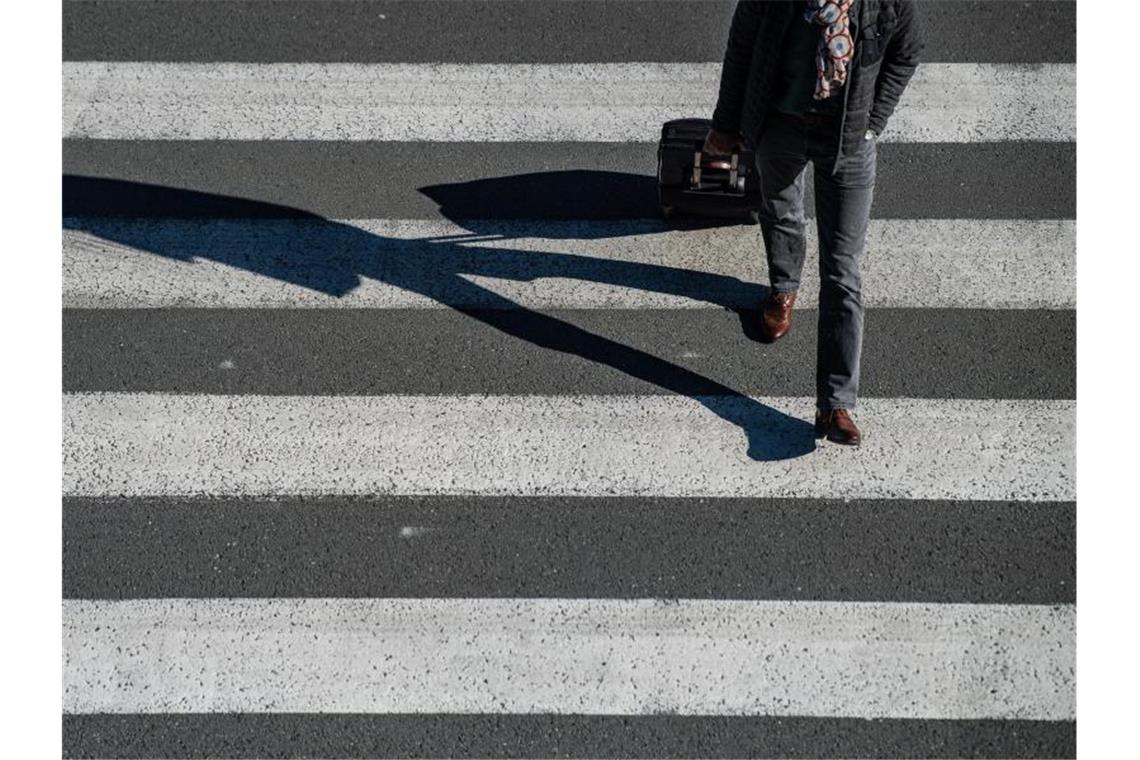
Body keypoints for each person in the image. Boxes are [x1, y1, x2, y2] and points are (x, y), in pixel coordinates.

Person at [704, 0, 922, 445]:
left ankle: (835, 403)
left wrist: (873, 122)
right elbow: (742, 48)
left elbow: (907, 50)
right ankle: (783, 289)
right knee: (781, 212)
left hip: (848, 137)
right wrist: (726, 125)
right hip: (779, 125)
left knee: (843, 272)